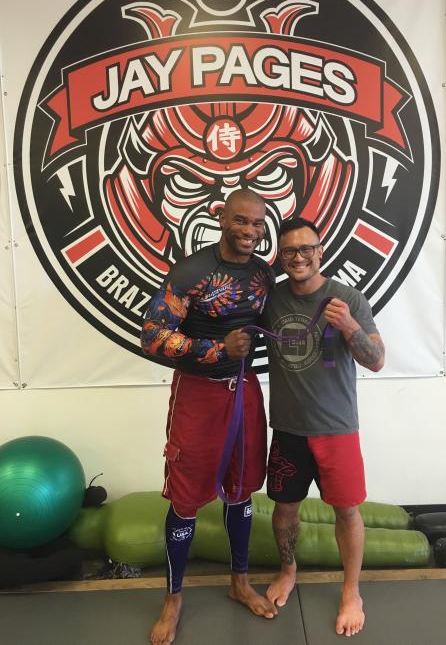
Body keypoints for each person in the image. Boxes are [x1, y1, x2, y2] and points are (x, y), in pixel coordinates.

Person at [141, 189, 277, 645]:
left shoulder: (263, 273)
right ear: (221, 218)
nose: (250, 231)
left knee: (242, 489)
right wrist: (217, 349)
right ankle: (173, 599)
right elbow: (152, 335)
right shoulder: (192, 271)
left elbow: (274, 323)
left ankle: (240, 582)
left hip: (245, 390)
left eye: (257, 223)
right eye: (241, 221)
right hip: (198, 393)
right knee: (185, 498)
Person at [263, 217, 385, 637]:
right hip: (287, 429)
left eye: (306, 249)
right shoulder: (272, 300)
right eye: (289, 250)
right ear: (281, 257)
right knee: (284, 509)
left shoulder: (348, 298)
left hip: (337, 428)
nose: (298, 257)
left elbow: (376, 360)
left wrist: (349, 326)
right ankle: (288, 570)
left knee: (347, 511)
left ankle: (351, 592)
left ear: (320, 251)